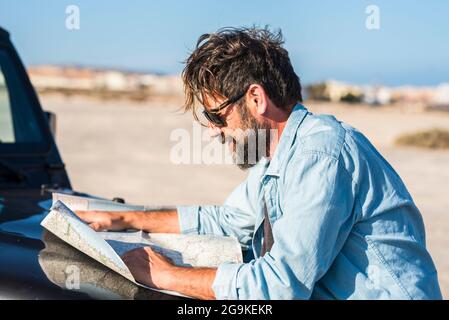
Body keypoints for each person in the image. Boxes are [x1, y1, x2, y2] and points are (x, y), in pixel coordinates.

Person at [75, 27, 442, 300]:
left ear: (255, 98)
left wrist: (167, 276)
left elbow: (280, 285)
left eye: (218, 116)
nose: (213, 133)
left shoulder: (320, 156)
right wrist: (128, 218)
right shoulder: (275, 157)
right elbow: (229, 221)